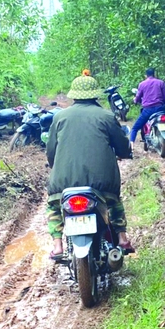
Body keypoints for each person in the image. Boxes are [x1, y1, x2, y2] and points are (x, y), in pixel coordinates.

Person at [46, 74, 134, 259]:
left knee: (54, 207)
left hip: (63, 183)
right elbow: (122, 147)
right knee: (114, 203)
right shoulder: (106, 116)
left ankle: (57, 245)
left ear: (74, 95)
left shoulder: (59, 117)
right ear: (95, 94)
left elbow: (51, 151)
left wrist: (54, 165)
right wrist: (125, 153)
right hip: (102, 183)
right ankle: (122, 238)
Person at [129, 68, 165, 149]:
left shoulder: (142, 84)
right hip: (160, 109)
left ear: (146, 76)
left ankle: (131, 146)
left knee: (135, 128)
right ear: (154, 74)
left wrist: (135, 100)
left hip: (147, 110)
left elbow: (138, 97)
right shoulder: (160, 82)